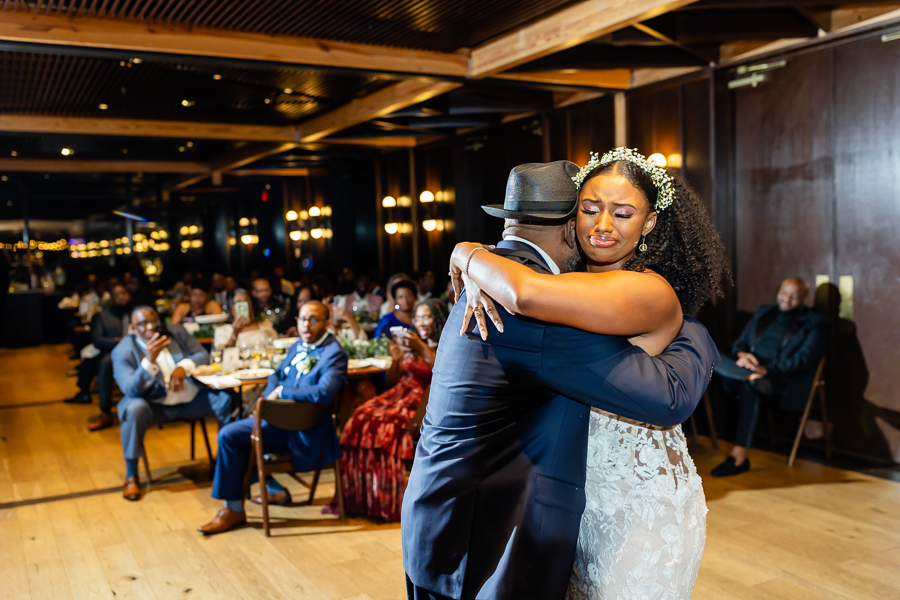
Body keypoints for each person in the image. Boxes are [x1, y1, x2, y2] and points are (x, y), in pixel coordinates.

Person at [403, 157, 724, 600]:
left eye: (623, 212)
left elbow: (670, 396)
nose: (602, 224)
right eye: (589, 209)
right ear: (570, 223)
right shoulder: (529, 295)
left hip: (627, 499)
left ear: (650, 222)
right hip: (500, 529)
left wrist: (470, 252)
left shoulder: (508, 282)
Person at [198, 301, 348, 535]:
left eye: (314, 319)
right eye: (302, 319)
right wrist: (269, 398)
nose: (306, 325)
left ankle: (246, 501)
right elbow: (276, 374)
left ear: (327, 323)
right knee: (229, 435)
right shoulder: (298, 345)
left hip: (304, 429)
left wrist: (283, 392)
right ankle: (235, 507)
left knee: (234, 437)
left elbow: (324, 393)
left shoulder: (334, 353)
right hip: (278, 422)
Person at [111, 306, 234, 501]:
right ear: (133, 328)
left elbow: (203, 354)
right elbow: (129, 389)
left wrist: (182, 367)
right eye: (142, 324)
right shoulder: (122, 351)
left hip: (191, 399)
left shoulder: (176, 332)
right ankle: (131, 474)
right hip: (154, 405)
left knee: (224, 397)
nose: (150, 327)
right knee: (134, 408)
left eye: (153, 321)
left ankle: (226, 462)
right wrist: (148, 362)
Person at [710, 277, 830, 477]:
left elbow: (804, 360)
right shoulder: (764, 313)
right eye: (784, 293)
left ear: (805, 298)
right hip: (751, 373)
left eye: (794, 296)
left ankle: (738, 456)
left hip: (781, 382)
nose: (787, 299)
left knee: (750, 388)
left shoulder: (816, 323)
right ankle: (748, 377)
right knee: (711, 355)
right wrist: (743, 355)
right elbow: (740, 344)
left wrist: (766, 369)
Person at [340, 298, 446, 521]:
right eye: (417, 318)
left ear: (437, 318)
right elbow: (391, 382)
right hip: (397, 394)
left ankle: (386, 501)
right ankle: (361, 499)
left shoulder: (446, 344)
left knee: (385, 427)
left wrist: (420, 347)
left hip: (421, 402)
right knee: (359, 417)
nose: (421, 322)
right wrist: (397, 360)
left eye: (426, 317)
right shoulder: (412, 345)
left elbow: (442, 373)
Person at [67, 284, 132, 417]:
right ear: (112, 298)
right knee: (104, 363)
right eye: (118, 294)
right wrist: (115, 341)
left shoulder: (134, 312)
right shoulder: (104, 316)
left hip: (135, 349)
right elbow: (97, 340)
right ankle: (105, 410)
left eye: (124, 293)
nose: (123, 297)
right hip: (113, 351)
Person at [213, 288, 277, 351]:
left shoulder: (266, 327)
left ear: (251, 307)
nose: (243, 307)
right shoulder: (222, 331)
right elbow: (223, 356)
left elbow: (275, 349)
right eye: (238, 303)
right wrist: (235, 334)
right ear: (232, 309)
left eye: (246, 302)